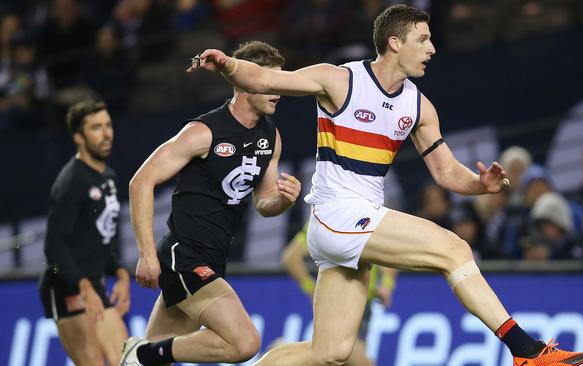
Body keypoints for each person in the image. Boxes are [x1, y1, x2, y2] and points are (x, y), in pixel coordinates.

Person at [187, 5, 583, 366]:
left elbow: (447, 171)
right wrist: (228, 65)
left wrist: (480, 184)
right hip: (337, 215)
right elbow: (264, 80)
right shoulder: (339, 80)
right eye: (423, 39)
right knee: (454, 249)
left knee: (329, 353)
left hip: (351, 227)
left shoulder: (418, 105)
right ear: (395, 42)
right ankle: (527, 352)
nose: (432, 48)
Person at [120, 41, 301, 366]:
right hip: (184, 255)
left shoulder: (270, 137)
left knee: (149, 362)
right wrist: (147, 254)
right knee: (245, 342)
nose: (279, 91)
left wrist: (283, 201)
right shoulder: (203, 132)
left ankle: (141, 356)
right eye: (270, 83)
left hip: (214, 257)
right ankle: (142, 353)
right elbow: (140, 182)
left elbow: (263, 203)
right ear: (246, 82)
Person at [38, 98, 130, 366]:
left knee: (124, 360)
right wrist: (82, 285)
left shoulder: (108, 177)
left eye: (108, 125)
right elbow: (54, 246)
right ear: (79, 137)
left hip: (92, 283)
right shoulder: (72, 180)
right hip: (64, 285)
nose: (106, 133)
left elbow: (99, 243)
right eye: (96, 128)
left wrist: (121, 273)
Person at [282, 222, 397, 366]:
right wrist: (387, 284)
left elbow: (291, 256)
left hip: (344, 301)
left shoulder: (322, 219)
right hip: (347, 301)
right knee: (352, 357)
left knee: (337, 357)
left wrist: (311, 289)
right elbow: (390, 250)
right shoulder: (366, 216)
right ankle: (280, 353)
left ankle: (280, 352)